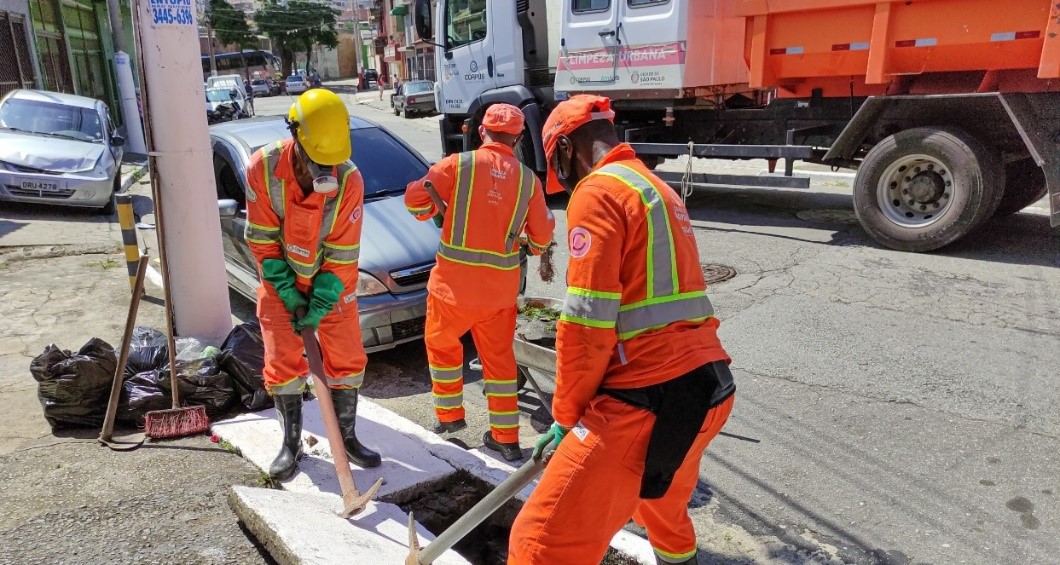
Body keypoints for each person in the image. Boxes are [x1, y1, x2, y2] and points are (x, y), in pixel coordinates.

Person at [507, 95, 736, 564]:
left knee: (538, 542)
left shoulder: (597, 192)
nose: (563, 183)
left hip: (646, 400)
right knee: (660, 504)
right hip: (709, 387)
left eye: (558, 167)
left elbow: (586, 325)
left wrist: (566, 417)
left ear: (567, 148)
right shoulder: (655, 188)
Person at [404, 104, 555, 462]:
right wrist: (526, 243)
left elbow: (415, 200)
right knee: (500, 363)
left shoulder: (459, 165)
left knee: (442, 346)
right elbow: (542, 237)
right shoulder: (528, 180)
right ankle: (505, 438)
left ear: (482, 132)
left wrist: (434, 210)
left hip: (452, 288)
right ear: (518, 138)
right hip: (499, 293)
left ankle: (450, 419)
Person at [243, 89, 381, 480]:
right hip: (279, 281)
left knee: (347, 359)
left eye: (331, 164)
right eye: (317, 163)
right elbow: (263, 241)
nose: (326, 174)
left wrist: (319, 302)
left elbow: (342, 253)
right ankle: (291, 443)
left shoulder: (349, 179)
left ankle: (347, 437)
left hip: (331, 285)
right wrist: (287, 292)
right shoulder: (264, 168)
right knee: (282, 362)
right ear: (296, 138)